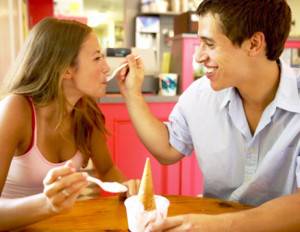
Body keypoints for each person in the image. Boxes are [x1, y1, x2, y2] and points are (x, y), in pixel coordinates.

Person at [117, 0, 300, 231]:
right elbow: (167, 148)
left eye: (209, 44)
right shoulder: (200, 94)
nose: (199, 57)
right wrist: (132, 93)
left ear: (254, 44)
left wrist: (217, 225)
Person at [0, 17, 140, 231]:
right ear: (66, 70)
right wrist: (47, 205)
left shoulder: (87, 112)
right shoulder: (16, 109)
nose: (106, 67)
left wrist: (125, 187)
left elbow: (108, 168)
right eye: (96, 58)